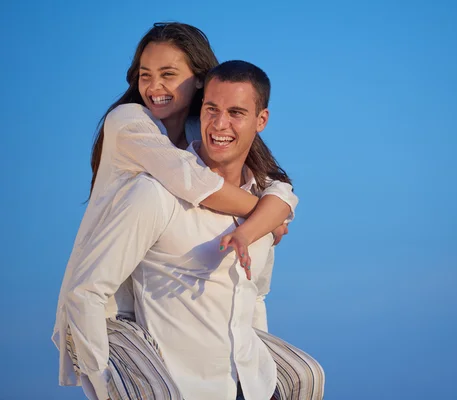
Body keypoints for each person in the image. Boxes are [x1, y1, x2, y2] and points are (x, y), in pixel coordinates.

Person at [53, 22, 323, 399]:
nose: (154, 87)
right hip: (116, 313)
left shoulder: (202, 128)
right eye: (145, 75)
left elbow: (255, 290)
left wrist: (267, 214)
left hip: (225, 362)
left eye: (169, 74)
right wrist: (265, 215)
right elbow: (192, 181)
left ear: (198, 79)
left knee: (306, 377)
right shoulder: (132, 129)